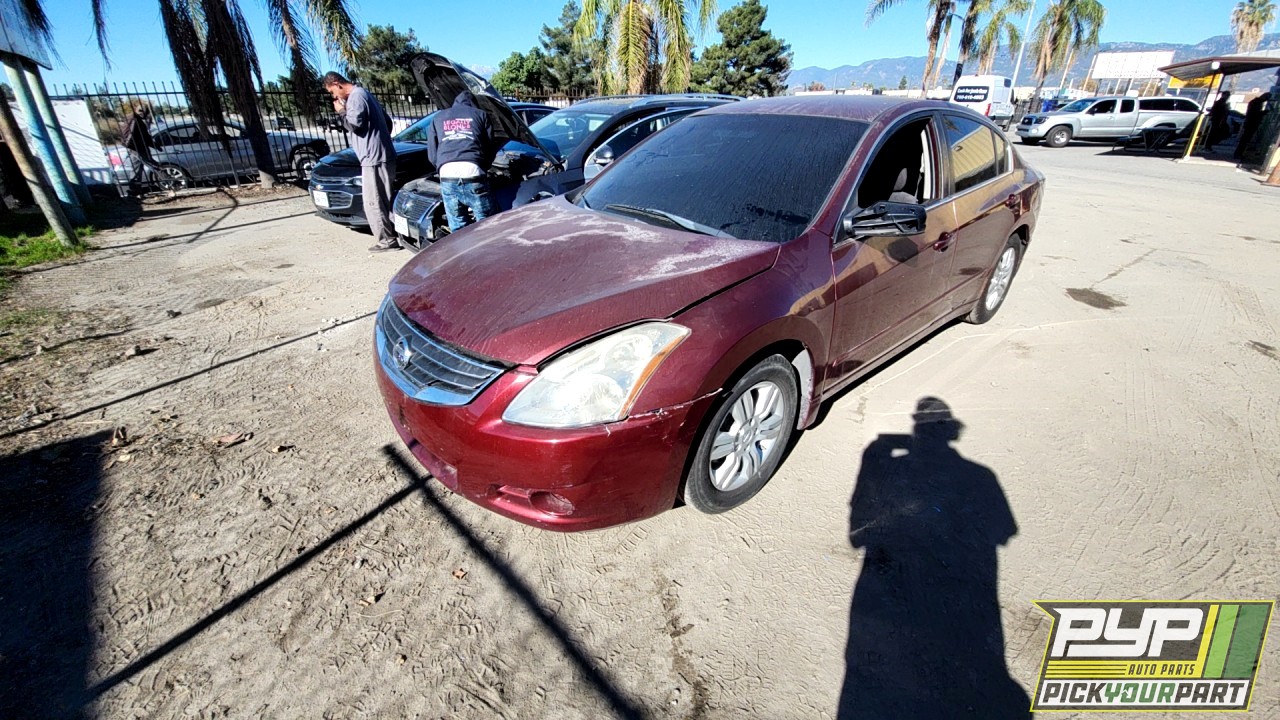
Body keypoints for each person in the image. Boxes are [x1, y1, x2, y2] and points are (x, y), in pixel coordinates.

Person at [323, 71, 400, 252]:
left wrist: (341, 111)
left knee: (373, 201)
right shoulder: (365, 94)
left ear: (337, 83)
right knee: (384, 198)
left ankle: (387, 240)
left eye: (332, 91)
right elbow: (387, 122)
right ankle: (395, 235)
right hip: (381, 154)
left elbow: (355, 125)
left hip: (372, 157)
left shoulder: (356, 97)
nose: (334, 96)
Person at [426, 91, 496, 232]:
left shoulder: (439, 117)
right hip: (473, 172)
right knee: (486, 225)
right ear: (473, 104)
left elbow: (432, 153)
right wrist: (484, 166)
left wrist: (440, 167)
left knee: (458, 226)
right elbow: (489, 146)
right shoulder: (480, 114)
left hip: (447, 174)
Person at [120, 104, 158, 186]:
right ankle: (170, 181)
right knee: (152, 164)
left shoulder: (132, 118)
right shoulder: (135, 120)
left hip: (133, 146)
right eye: (146, 113)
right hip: (137, 147)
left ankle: (134, 188)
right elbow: (143, 135)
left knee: (136, 167)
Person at [1235, 92, 1271, 161]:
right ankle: (1238, 153)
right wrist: (1264, 112)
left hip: (1251, 122)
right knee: (1245, 139)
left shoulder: (1256, 102)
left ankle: (1239, 153)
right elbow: (1255, 114)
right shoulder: (1256, 103)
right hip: (1251, 123)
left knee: (1245, 139)